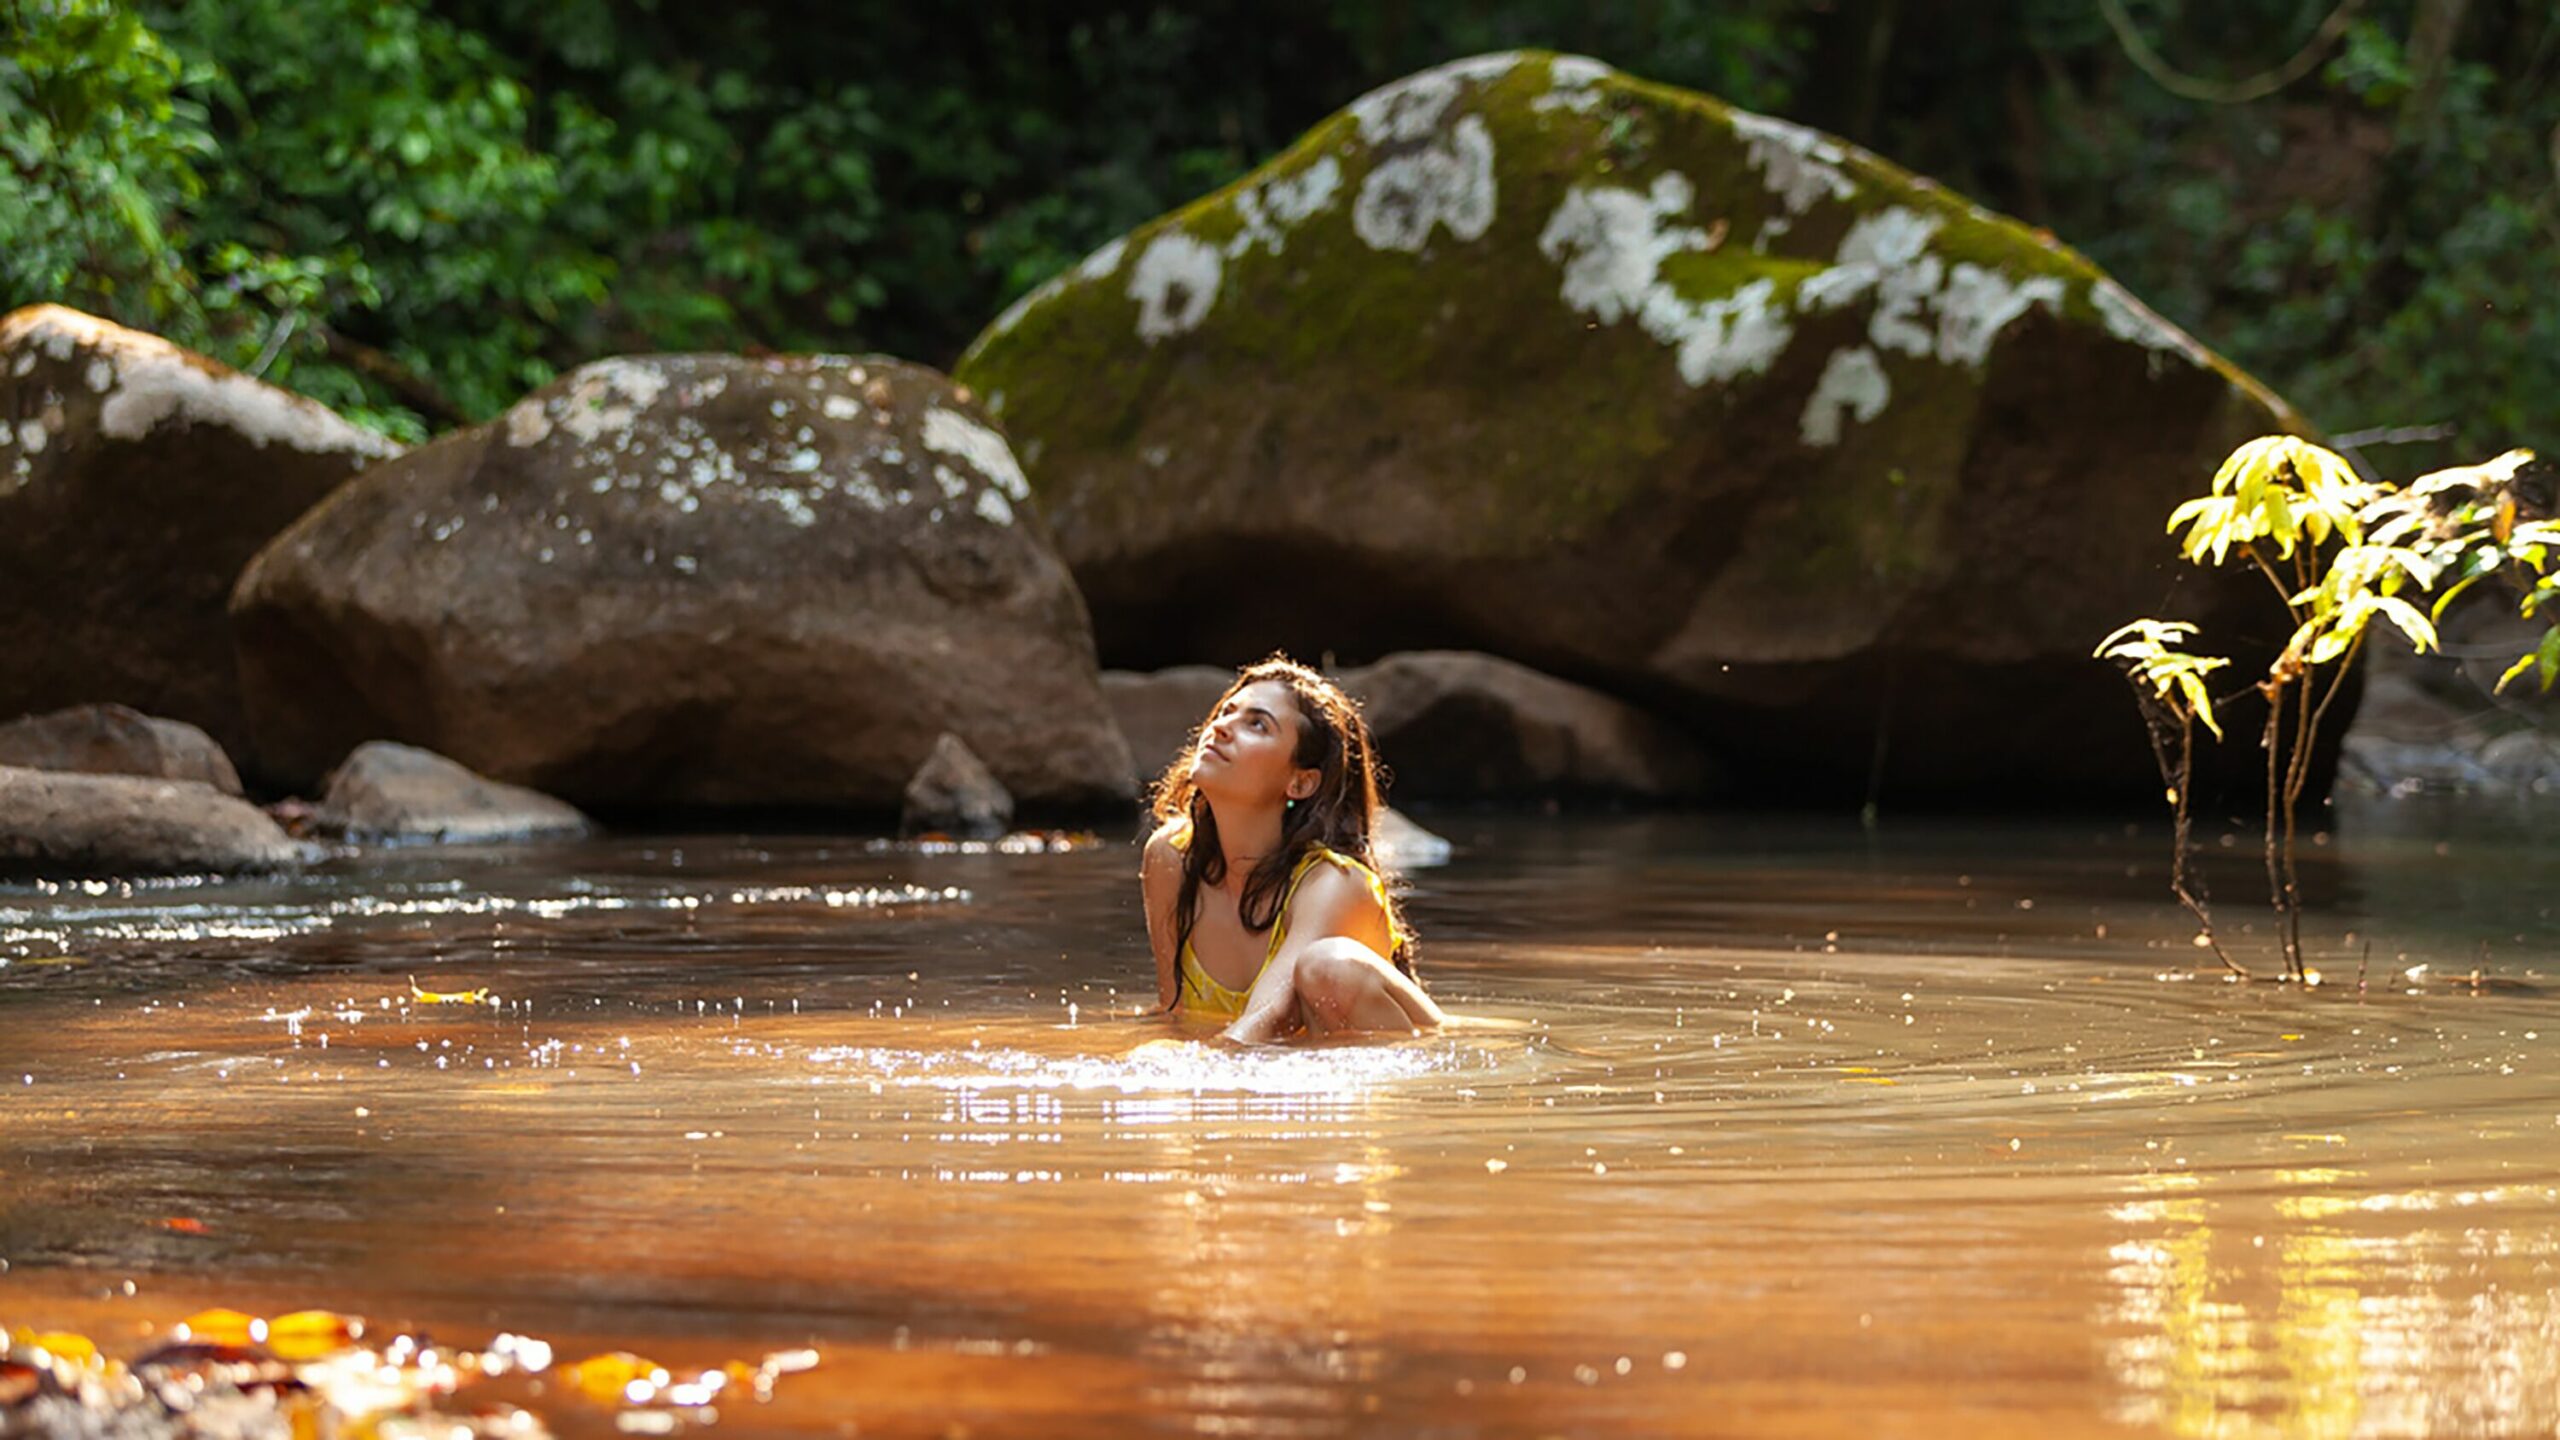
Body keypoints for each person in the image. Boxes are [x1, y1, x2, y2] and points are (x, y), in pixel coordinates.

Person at [1139, 656, 1445, 1044]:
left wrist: (1187, 1069)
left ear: (1301, 783)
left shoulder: (1334, 882)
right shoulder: (1170, 857)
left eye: (1257, 724)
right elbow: (1174, 1014)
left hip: (1400, 1061)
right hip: (1263, 1066)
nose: (1220, 728)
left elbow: (1268, 1017)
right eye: (1227, 712)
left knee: (1328, 966)